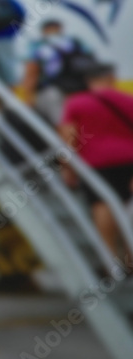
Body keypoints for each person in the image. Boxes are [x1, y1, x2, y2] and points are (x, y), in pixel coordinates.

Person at [58, 62, 133, 267]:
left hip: (96, 162)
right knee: (127, 206)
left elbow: (68, 138)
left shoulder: (77, 102)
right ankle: (130, 258)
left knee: (102, 205)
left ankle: (110, 259)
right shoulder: (128, 100)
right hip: (129, 159)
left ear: (89, 81)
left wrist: (67, 166)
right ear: (112, 78)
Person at [19, 19, 96, 125]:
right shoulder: (77, 42)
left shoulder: (38, 46)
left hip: (53, 92)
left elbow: (31, 72)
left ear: (44, 31)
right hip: (82, 90)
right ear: (61, 29)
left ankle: (64, 141)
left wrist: (28, 98)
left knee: (63, 124)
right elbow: (92, 66)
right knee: (84, 123)